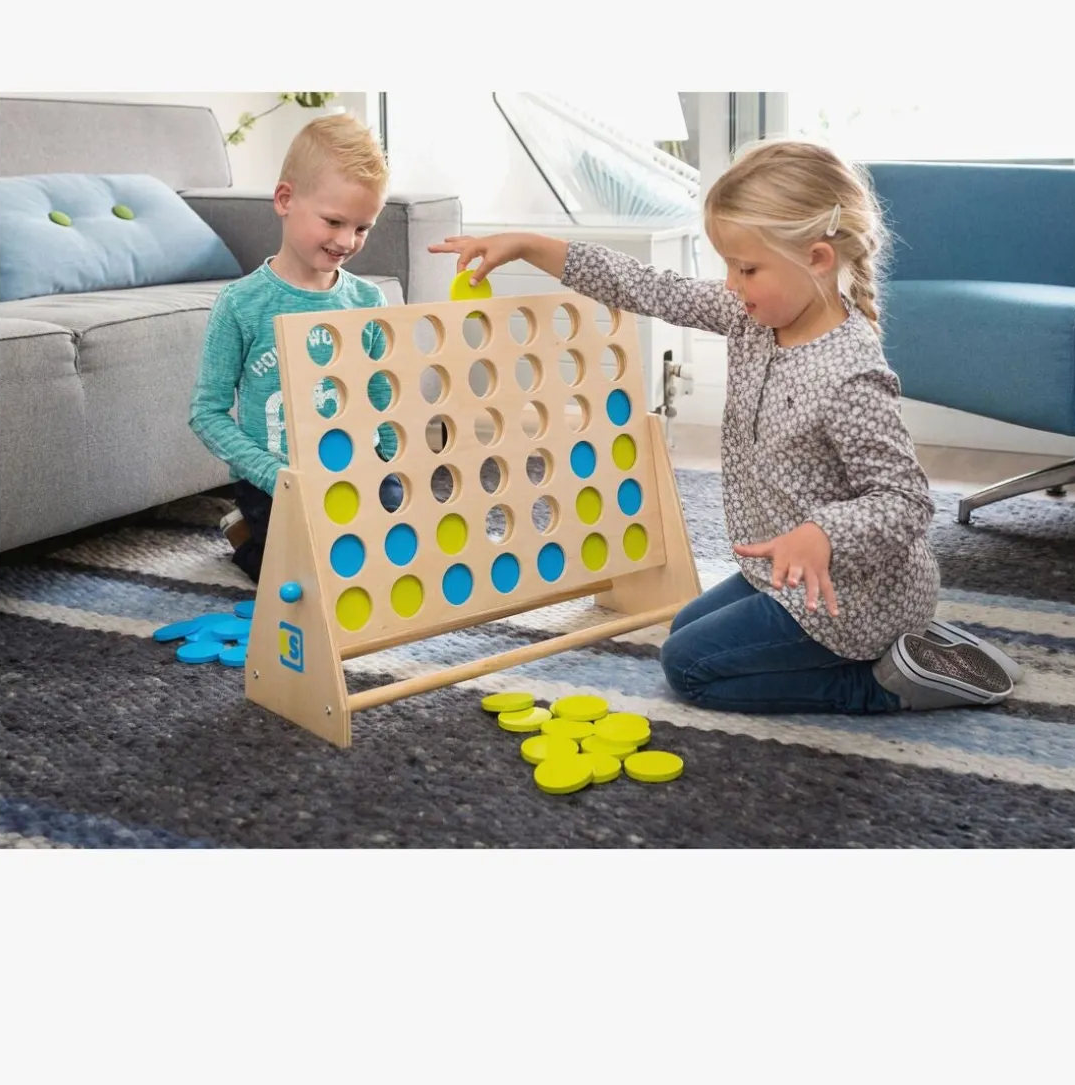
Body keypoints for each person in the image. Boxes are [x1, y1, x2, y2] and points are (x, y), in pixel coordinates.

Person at [429, 137, 1023, 715]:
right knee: (687, 626)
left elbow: (905, 500)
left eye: (746, 268)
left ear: (818, 260)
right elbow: (650, 288)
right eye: (729, 268)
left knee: (689, 666)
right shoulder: (753, 316)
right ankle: (901, 642)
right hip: (783, 572)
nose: (732, 285)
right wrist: (532, 246)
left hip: (848, 592)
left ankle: (886, 682)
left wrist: (822, 533)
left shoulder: (850, 374)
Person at [190, 113, 403, 583]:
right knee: (307, 581)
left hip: (358, 470)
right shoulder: (241, 304)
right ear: (285, 199)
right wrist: (272, 474)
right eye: (334, 221)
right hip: (276, 482)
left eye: (362, 228)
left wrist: (394, 468)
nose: (346, 241)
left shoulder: (368, 300)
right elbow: (206, 413)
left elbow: (381, 397)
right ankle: (246, 536)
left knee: (391, 563)